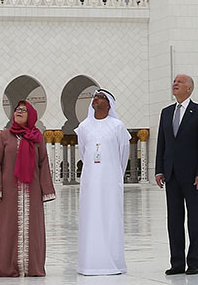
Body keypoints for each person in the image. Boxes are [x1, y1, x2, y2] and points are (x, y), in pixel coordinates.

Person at [0, 100, 56, 277]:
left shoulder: (37, 138)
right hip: (8, 192)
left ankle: (31, 267)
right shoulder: (4, 136)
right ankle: (3, 267)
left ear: (31, 115)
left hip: (32, 192)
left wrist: (46, 190)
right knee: (5, 228)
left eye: (24, 110)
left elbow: (43, 164)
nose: (19, 112)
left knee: (33, 229)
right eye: (17, 109)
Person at [155, 74, 198, 275]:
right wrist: (159, 169)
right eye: (174, 82)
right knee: (174, 219)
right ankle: (177, 262)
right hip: (171, 175)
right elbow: (161, 143)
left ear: (189, 88)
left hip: (192, 176)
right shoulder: (166, 112)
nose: (175, 84)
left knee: (194, 219)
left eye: (179, 82)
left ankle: (193, 262)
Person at [76, 89, 130, 275]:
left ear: (109, 104)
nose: (96, 100)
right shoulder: (84, 126)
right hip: (90, 182)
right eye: (95, 97)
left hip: (110, 182)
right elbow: (84, 152)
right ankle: (89, 263)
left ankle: (112, 262)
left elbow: (123, 155)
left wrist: (113, 174)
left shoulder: (118, 126)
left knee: (110, 218)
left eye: (100, 98)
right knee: (90, 218)